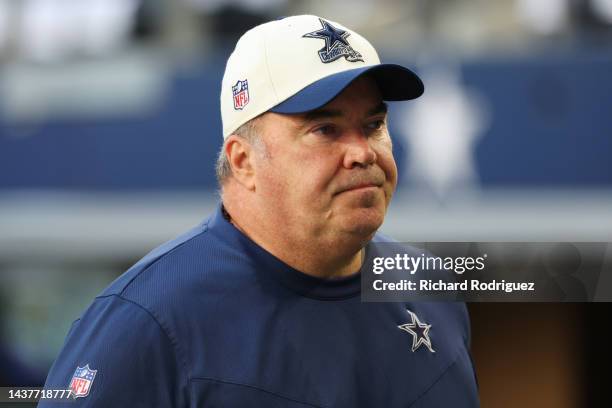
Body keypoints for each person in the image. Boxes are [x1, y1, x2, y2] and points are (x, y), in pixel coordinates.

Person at [39, 15, 479, 407]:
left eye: (374, 125)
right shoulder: (146, 320)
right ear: (244, 161)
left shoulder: (431, 288)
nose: (362, 153)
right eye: (325, 129)